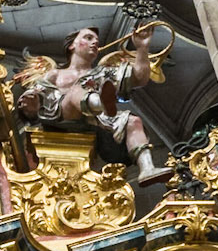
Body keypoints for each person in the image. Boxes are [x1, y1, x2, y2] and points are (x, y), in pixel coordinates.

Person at [14, 22, 171, 186]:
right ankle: (99, 102)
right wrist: (31, 101)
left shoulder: (103, 72)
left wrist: (142, 48)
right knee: (76, 92)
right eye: (88, 38)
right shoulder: (56, 73)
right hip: (59, 116)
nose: (95, 42)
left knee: (133, 121)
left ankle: (147, 169)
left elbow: (139, 78)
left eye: (96, 40)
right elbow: (36, 92)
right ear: (71, 45)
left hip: (94, 120)